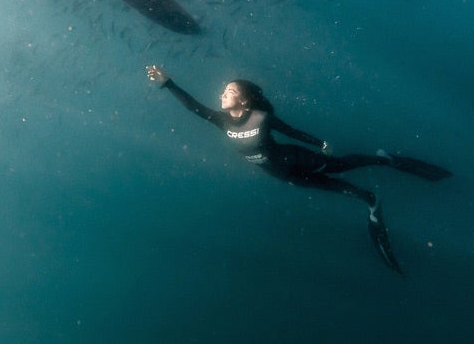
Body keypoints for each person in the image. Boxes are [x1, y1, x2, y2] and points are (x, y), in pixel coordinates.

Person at [145, 65, 451, 273]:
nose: (222, 94)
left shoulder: (261, 118)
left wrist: (319, 144)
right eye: (224, 91)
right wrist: (168, 83)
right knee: (338, 189)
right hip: (284, 176)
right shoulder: (221, 120)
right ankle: (370, 200)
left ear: (244, 98)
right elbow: (193, 106)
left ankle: (385, 159)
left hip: (297, 159)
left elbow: (291, 131)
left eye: (229, 90)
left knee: (342, 165)